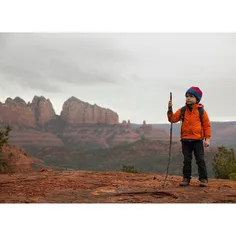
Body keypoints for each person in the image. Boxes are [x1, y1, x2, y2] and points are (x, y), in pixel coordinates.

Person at [167, 86, 211, 187]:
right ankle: (186, 179)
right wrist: (170, 109)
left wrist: (207, 139)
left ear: (197, 99)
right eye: (187, 96)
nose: (188, 98)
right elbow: (172, 119)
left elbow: (206, 125)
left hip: (197, 140)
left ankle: (203, 179)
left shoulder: (201, 111)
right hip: (185, 140)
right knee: (187, 160)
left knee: (200, 159)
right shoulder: (182, 110)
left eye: (191, 96)